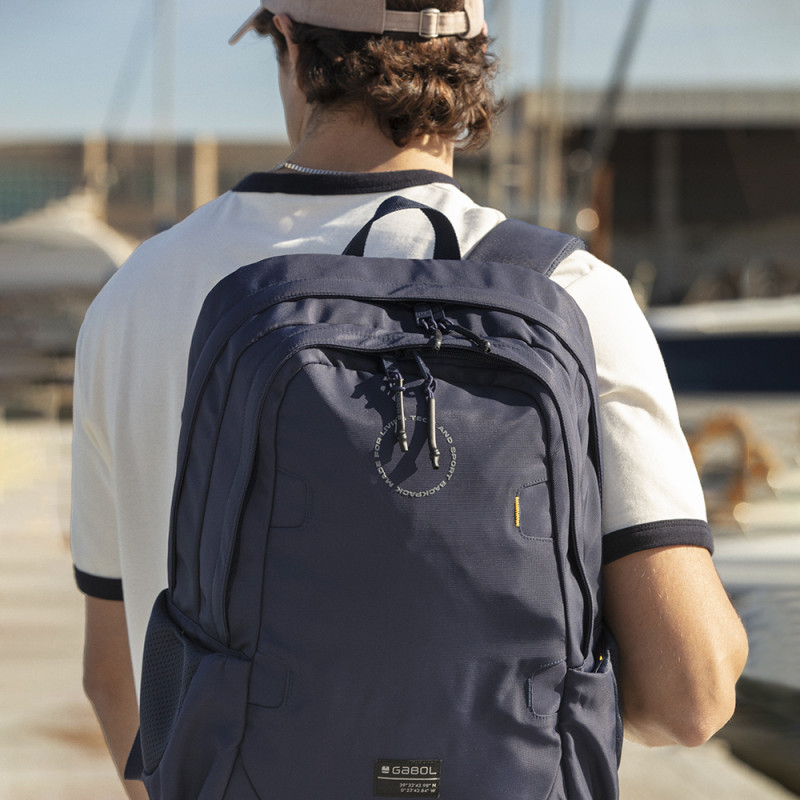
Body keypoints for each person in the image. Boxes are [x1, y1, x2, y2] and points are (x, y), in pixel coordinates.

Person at [71, 1, 748, 797]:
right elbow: (690, 693)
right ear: (478, 48)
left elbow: (116, 680)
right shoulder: (570, 295)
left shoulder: (138, 294)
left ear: (289, 40)